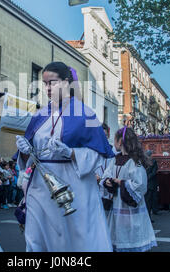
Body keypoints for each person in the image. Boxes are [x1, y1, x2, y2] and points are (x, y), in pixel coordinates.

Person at [15, 61, 114, 252]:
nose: (47, 88)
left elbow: (100, 154)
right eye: (45, 83)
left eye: (52, 82)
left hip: (72, 183)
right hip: (39, 186)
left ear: (67, 82)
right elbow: (29, 155)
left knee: (71, 238)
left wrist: (72, 153)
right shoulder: (39, 115)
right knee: (36, 237)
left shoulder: (88, 114)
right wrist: (24, 150)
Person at [100, 126, 157, 252]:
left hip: (130, 208)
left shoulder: (135, 161)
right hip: (117, 206)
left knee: (131, 238)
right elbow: (106, 175)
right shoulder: (115, 159)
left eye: (115, 139)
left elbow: (140, 185)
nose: (113, 143)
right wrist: (107, 182)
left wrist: (121, 182)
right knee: (118, 236)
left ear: (120, 142)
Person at [144, 150, 159, 222]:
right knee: (148, 202)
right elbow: (153, 173)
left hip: (148, 183)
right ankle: (148, 218)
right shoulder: (147, 162)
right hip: (149, 184)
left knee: (148, 202)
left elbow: (154, 172)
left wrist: (145, 178)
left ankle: (148, 217)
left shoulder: (152, 162)